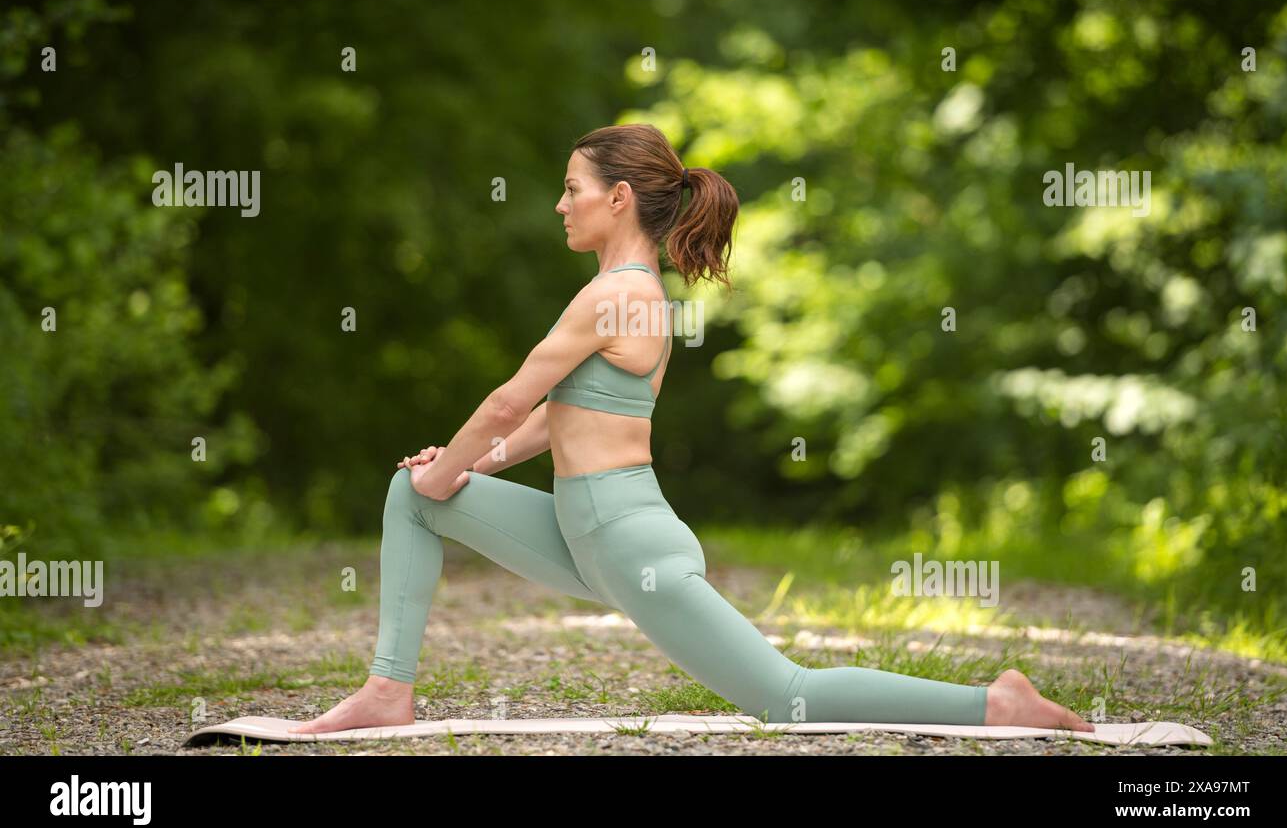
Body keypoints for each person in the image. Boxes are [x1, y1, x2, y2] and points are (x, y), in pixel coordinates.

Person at [289, 123, 1093, 734]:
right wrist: (462, 472)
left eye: (572, 187)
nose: (560, 203)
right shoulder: (628, 295)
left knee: (788, 697)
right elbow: (546, 420)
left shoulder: (616, 295)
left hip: (627, 540)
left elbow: (505, 400)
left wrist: (450, 468)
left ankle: (993, 701)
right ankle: (388, 690)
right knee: (414, 495)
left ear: (619, 197)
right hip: (590, 531)